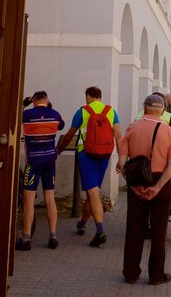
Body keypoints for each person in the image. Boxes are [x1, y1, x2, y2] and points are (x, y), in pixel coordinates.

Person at [116, 93, 171, 285]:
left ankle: (130, 273)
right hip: (161, 180)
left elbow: (122, 163)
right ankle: (156, 275)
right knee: (159, 231)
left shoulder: (132, 128)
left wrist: (134, 186)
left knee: (134, 228)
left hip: (137, 179)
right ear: (162, 111)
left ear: (144, 108)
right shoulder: (168, 131)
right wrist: (158, 187)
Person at [56, 86, 123, 247]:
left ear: (88, 96)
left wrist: (58, 150)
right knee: (93, 191)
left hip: (86, 155)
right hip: (105, 155)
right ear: (100, 97)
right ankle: (83, 222)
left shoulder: (82, 112)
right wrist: (121, 158)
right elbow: (119, 137)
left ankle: (100, 231)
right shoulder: (111, 112)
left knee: (92, 192)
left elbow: (70, 135)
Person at [17, 91, 64, 251]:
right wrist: (49, 108)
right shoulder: (55, 114)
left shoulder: (27, 115)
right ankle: (53, 236)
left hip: (33, 162)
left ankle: (26, 237)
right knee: (50, 198)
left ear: (34, 100)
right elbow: (61, 125)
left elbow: (14, 115)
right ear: (47, 100)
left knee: (28, 199)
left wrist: (25, 103)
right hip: (50, 162)